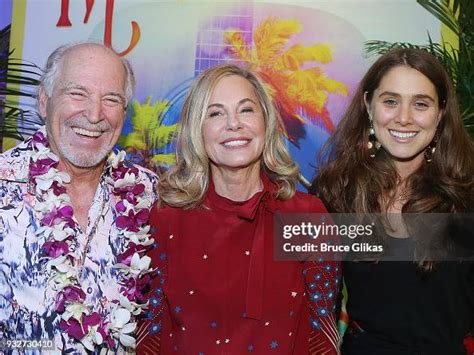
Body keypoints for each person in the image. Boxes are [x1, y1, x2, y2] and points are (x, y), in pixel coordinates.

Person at [137, 64, 341, 354]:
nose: (233, 124)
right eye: (216, 113)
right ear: (198, 129)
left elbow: (322, 335)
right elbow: (151, 334)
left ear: (265, 122)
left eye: (246, 110)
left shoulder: (306, 216)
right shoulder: (166, 218)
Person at [311, 47, 474, 354]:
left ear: (440, 114)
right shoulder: (335, 193)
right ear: (369, 106)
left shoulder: (466, 197)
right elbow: (306, 300)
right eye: (390, 101)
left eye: (421, 104)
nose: (403, 118)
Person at [0, 43, 157, 353]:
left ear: (124, 113)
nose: (94, 114)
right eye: (77, 94)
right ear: (44, 101)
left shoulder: (148, 193)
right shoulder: (4, 183)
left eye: (111, 99)